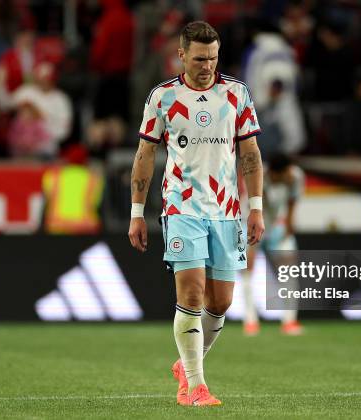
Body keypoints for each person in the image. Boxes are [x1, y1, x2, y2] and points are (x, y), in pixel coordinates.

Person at [128, 21, 264, 407]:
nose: (207, 65)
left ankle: (187, 364)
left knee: (220, 303)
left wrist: (255, 208)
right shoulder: (163, 98)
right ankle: (196, 387)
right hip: (181, 206)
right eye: (200, 58)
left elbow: (251, 155)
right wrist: (137, 212)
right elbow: (145, 156)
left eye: (213, 58)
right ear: (182, 55)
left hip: (226, 209)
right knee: (191, 292)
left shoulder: (236, 94)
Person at [240, 152, 305, 336]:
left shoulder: (295, 176)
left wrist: (289, 225)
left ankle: (289, 321)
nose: (288, 176)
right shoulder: (258, 177)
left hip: (276, 226)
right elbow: (258, 207)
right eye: (284, 174)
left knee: (289, 271)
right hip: (251, 224)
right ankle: (250, 321)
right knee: (247, 272)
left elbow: (293, 202)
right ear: (274, 173)